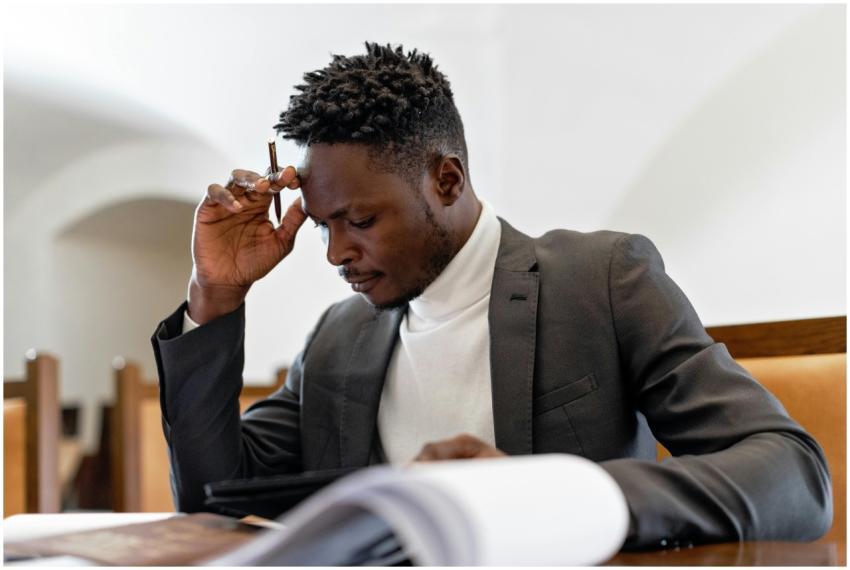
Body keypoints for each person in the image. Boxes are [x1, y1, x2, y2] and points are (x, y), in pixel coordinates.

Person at [152, 42, 831, 549]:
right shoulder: (337, 339)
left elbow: (794, 475)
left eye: (359, 222)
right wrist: (216, 294)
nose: (335, 254)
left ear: (447, 180)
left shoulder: (602, 281)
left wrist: (556, 496)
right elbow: (213, 502)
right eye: (325, 227)